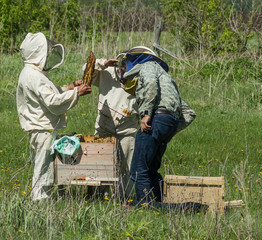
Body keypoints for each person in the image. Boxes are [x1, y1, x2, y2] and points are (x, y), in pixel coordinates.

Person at [16, 32, 92, 201]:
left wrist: (70, 87)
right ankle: (40, 199)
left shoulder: (31, 72)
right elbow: (52, 101)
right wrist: (76, 93)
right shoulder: (34, 76)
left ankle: (43, 197)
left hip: (39, 128)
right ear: (37, 53)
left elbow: (46, 94)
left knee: (43, 165)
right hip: (42, 129)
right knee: (43, 167)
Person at [118, 46, 196, 206]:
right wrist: (169, 130)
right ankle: (159, 205)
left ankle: (145, 207)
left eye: (126, 63)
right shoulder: (166, 81)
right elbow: (189, 113)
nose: (124, 67)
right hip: (168, 122)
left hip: (155, 119)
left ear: (136, 59)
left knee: (138, 170)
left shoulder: (148, 66)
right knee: (151, 171)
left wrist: (147, 114)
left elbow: (151, 84)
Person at [83, 57, 139, 201]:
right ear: (120, 66)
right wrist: (102, 63)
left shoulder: (140, 81)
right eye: (124, 67)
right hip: (104, 128)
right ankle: (99, 196)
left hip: (127, 131)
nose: (125, 71)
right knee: (99, 164)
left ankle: (124, 197)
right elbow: (86, 71)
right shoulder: (107, 72)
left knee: (126, 165)